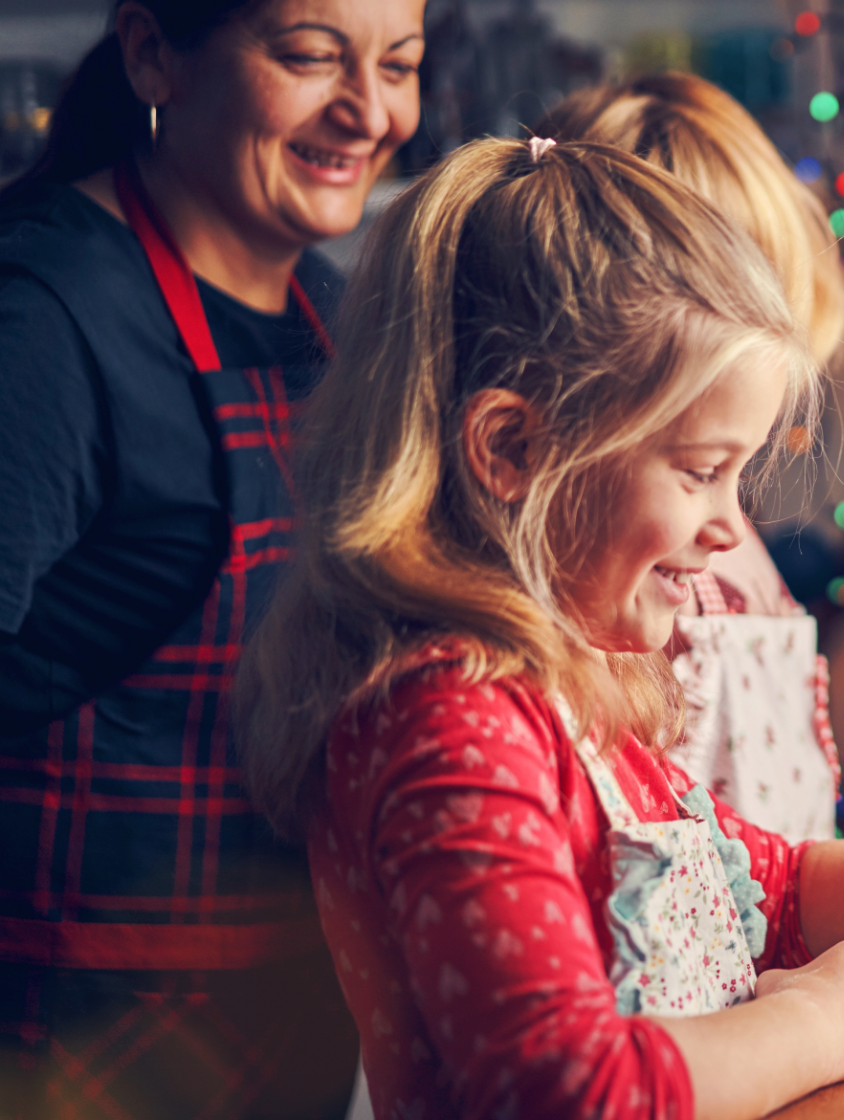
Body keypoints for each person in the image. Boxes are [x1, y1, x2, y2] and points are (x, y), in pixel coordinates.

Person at [233, 136, 844, 1120]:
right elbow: (564, 1089)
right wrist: (815, 1027)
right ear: (512, 448)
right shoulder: (450, 722)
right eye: (701, 470)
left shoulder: (573, 691)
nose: (729, 524)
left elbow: (778, 893)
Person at [0, 1, 423, 1116]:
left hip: (281, 1032)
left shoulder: (332, 317)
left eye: (401, 64)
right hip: (69, 1048)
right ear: (152, 52)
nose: (368, 111)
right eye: (309, 55)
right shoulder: (44, 319)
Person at [538, 75, 844, 984]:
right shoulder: (630, 581)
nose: (720, 511)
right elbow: (651, 907)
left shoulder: (714, 533)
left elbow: (775, 861)